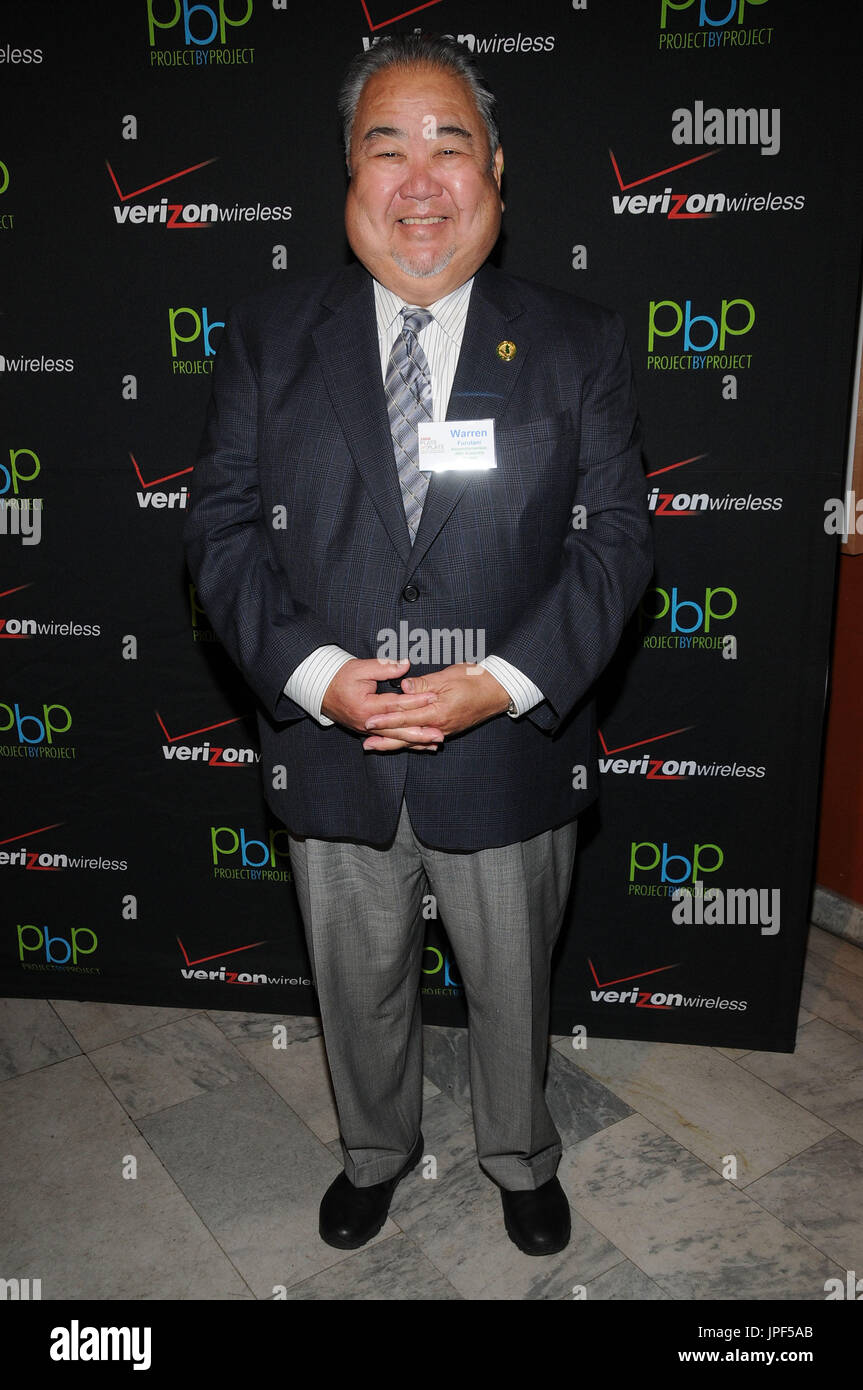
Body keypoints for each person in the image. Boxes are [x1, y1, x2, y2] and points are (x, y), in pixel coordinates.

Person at [184, 33, 652, 1258]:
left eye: (448, 142)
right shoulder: (268, 336)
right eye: (383, 146)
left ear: (494, 169)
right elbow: (220, 532)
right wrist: (317, 678)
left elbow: (614, 545)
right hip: (331, 746)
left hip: (505, 751)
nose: (418, 177)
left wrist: (496, 685)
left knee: (513, 988)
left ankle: (518, 1156)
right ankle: (372, 1152)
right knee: (355, 988)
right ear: (348, 178)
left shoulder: (578, 340)